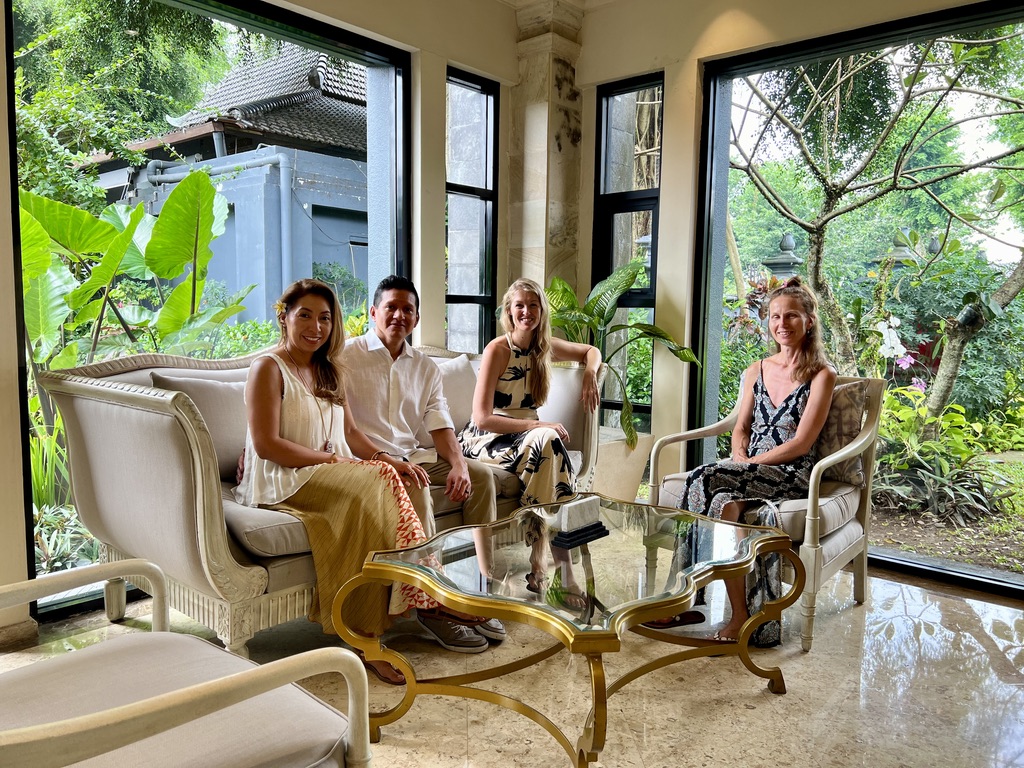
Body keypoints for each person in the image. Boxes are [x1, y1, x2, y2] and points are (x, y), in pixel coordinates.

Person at [233, 279, 489, 687]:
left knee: (386, 480)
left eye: (325, 318)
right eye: (305, 316)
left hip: (330, 470)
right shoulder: (268, 367)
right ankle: (398, 617)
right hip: (283, 480)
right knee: (379, 482)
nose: (316, 326)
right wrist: (335, 459)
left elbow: (352, 434)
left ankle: (408, 604)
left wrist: (389, 460)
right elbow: (266, 446)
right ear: (284, 317)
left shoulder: (329, 367)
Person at [662, 275, 836, 646]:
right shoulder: (756, 370)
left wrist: (748, 465)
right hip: (747, 471)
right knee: (721, 504)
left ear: (809, 321)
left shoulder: (822, 375)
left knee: (701, 478)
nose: (781, 324)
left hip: (790, 472)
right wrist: (741, 456)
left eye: (791, 316)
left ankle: (681, 594)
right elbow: (740, 427)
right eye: (774, 316)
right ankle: (739, 615)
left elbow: (802, 443)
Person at [343, 274, 505, 646]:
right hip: (364, 461)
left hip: (410, 454)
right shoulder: (346, 358)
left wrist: (461, 465)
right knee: (415, 483)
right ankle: (433, 606)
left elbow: (439, 422)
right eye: (391, 307)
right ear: (373, 312)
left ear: (416, 318)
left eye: (407, 309)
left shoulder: (426, 367)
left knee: (481, 475)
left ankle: (482, 585)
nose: (399, 315)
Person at [458, 278, 602, 611]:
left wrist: (589, 373)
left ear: (541, 310)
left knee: (548, 452)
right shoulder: (498, 349)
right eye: (519, 305)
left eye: (533, 305)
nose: (526, 312)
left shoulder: (544, 347)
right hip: (488, 438)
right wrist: (538, 425)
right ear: (509, 311)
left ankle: (545, 568)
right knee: (548, 440)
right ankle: (560, 573)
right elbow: (481, 418)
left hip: (530, 440)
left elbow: (591, 351)